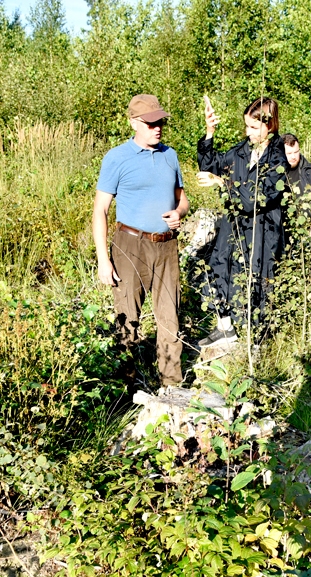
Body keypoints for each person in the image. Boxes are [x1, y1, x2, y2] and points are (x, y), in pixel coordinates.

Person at [92, 94, 189, 386]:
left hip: (166, 245)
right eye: (150, 123)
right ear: (134, 122)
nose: (157, 128)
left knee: (169, 318)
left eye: (159, 121)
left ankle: (171, 386)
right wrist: (103, 260)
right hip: (129, 245)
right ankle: (125, 388)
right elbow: (100, 210)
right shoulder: (117, 158)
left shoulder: (169, 155)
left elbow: (182, 199)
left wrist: (179, 212)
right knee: (127, 318)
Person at [196, 96, 288, 347]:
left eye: (254, 127)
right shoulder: (240, 152)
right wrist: (209, 131)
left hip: (263, 230)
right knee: (219, 267)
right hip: (233, 226)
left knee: (258, 280)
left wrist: (222, 183)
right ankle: (225, 328)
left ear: (270, 125)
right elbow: (209, 164)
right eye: (246, 126)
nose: (248, 133)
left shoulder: (278, 156)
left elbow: (255, 198)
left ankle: (258, 340)